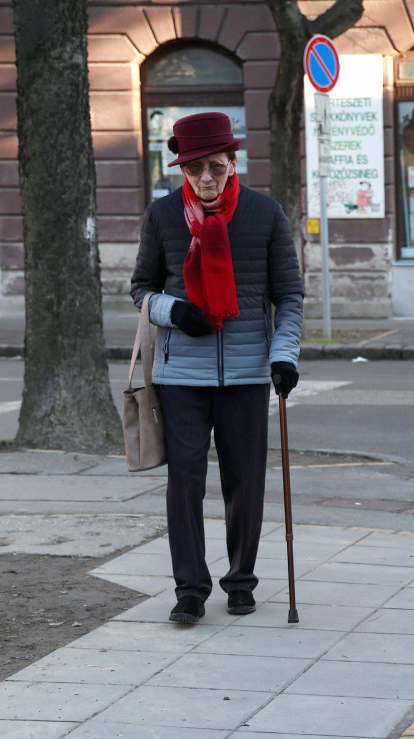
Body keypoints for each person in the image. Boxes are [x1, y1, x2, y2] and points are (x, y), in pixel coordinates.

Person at [131, 111, 304, 625]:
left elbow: (289, 295)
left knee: (244, 481)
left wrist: (284, 355)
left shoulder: (265, 214)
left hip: (247, 373)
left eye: (215, 166)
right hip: (181, 375)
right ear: (182, 170)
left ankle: (240, 581)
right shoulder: (162, 216)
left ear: (233, 161)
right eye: (194, 169)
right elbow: (141, 289)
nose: (205, 178)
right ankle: (190, 589)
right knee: (184, 480)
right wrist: (173, 311)